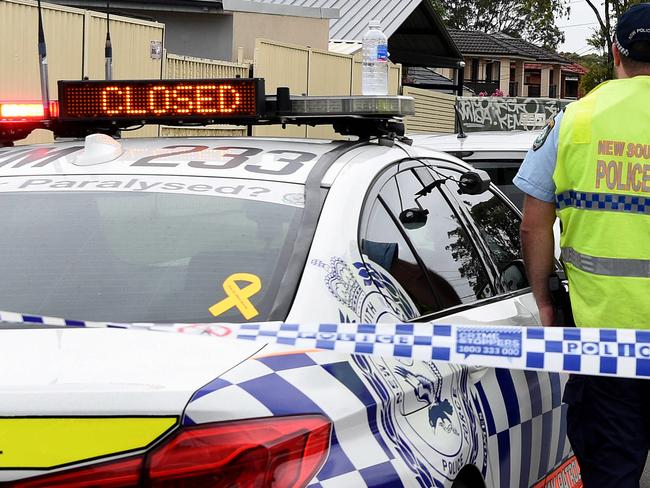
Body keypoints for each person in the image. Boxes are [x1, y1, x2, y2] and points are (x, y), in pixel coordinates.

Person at [513, 4, 650, 486]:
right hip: (606, 348)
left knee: (611, 473)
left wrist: (545, 300)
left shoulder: (574, 119)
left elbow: (534, 224)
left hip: (604, 347)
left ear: (616, 52)